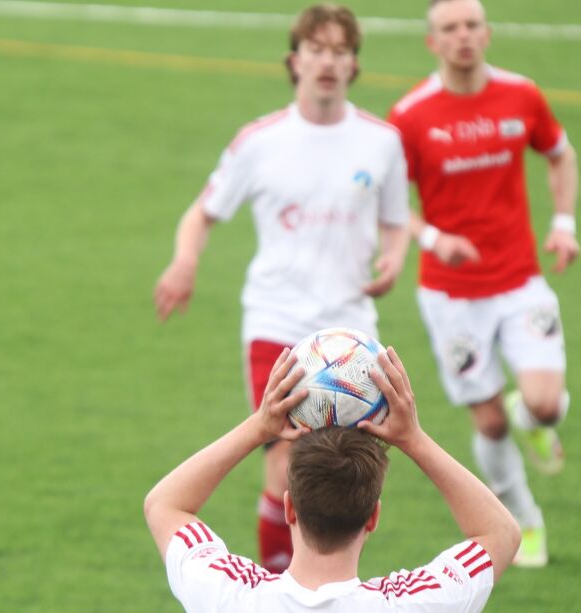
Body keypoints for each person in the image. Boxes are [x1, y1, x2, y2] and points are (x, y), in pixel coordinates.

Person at [153, 4, 410, 573]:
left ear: (354, 65)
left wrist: (394, 257)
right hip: (276, 324)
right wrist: (184, 261)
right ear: (295, 61)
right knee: (286, 463)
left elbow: (397, 222)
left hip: (351, 334)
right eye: (317, 49)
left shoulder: (383, 142)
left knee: (349, 473)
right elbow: (201, 214)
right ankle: (279, 590)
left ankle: (330, 588)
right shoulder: (259, 141)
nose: (328, 61)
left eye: (340, 51)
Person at [387, 0, 580, 568]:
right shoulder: (412, 115)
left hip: (520, 281)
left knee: (544, 404)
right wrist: (434, 239)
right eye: (450, 28)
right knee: (489, 420)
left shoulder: (522, 95)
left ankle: (535, 421)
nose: (463, 36)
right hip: (451, 295)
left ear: (487, 33)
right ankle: (524, 521)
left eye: (472, 25)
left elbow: (561, 155)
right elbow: (392, 207)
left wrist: (564, 224)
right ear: (432, 43)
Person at [144, 346, 521, 611]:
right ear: (373, 516)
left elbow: (165, 505)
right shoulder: (414, 602)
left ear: (289, 507)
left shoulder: (230, 596)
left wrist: (259, 428)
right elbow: (500, 533)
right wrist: (414, 440)